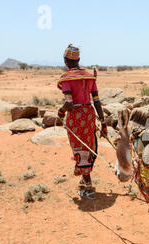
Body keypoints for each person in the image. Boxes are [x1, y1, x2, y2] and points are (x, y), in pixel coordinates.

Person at [57, 44, 107, 199]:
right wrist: (103, 122)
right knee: (88, 146)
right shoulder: (89, 75)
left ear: (66, 61)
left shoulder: (67, 78)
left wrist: (60, 112)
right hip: (89, 114)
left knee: (79, 149)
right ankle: (84, 179)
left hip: (76, 116)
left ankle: (88, 186)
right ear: (78, 59)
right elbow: (97, 101)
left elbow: (69, 104)